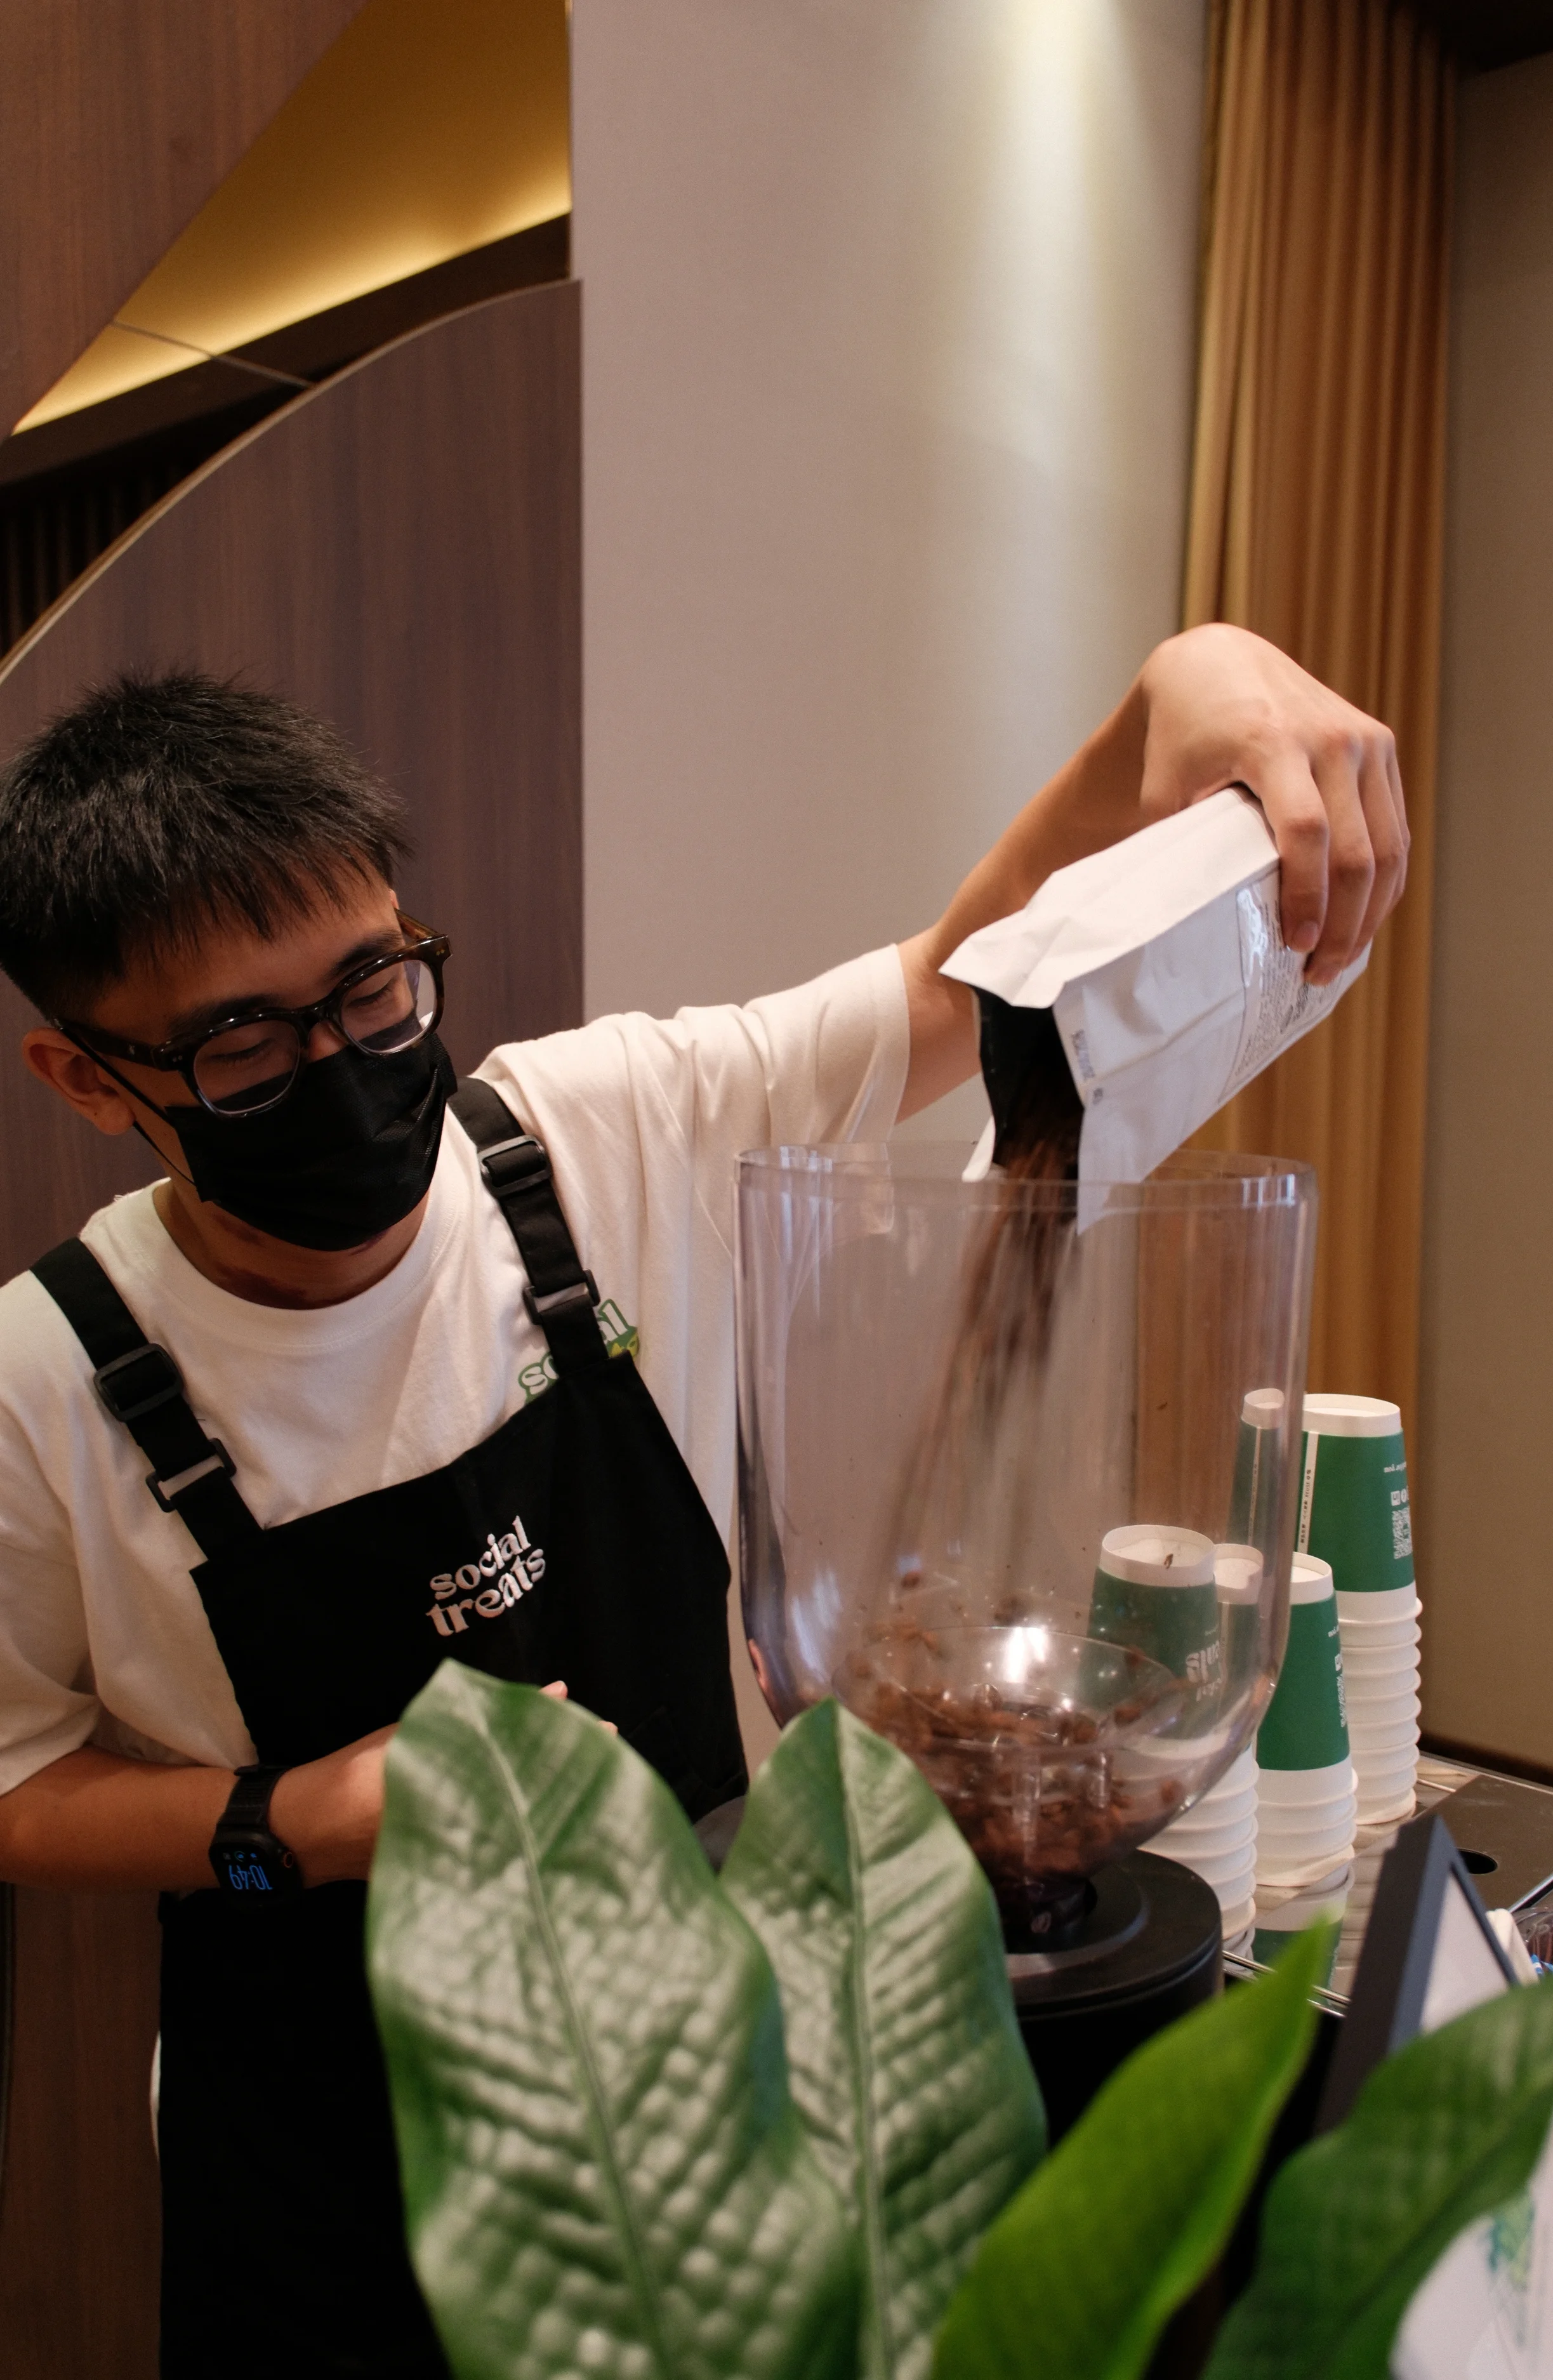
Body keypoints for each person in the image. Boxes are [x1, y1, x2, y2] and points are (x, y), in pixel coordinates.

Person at [0, 627, 1405, 2377]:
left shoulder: (587, 1141)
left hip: (707, 2103)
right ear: (87, 1075)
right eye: (243, 1054)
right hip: (319, 2143)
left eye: (374, 993)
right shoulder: (44, 1380)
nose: (350, 1070)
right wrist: (306, 1811)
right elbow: (16, 1775)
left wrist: (1165, 703)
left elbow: (959, 981)